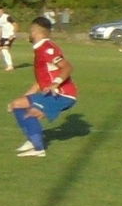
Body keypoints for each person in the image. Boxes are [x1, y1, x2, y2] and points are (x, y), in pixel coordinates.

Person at [9, 15, 77, 158]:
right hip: (54, 93)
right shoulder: (40, 49)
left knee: (29, 112)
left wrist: (55, 83)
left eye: (30, 31)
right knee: (18, 105)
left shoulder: (47, 48)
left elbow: (67, 67)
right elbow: (40, 82)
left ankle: (38, 147)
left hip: (62, 94)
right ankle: (33, 140)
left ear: (35, 31)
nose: (29, 34)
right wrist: (25, 96)